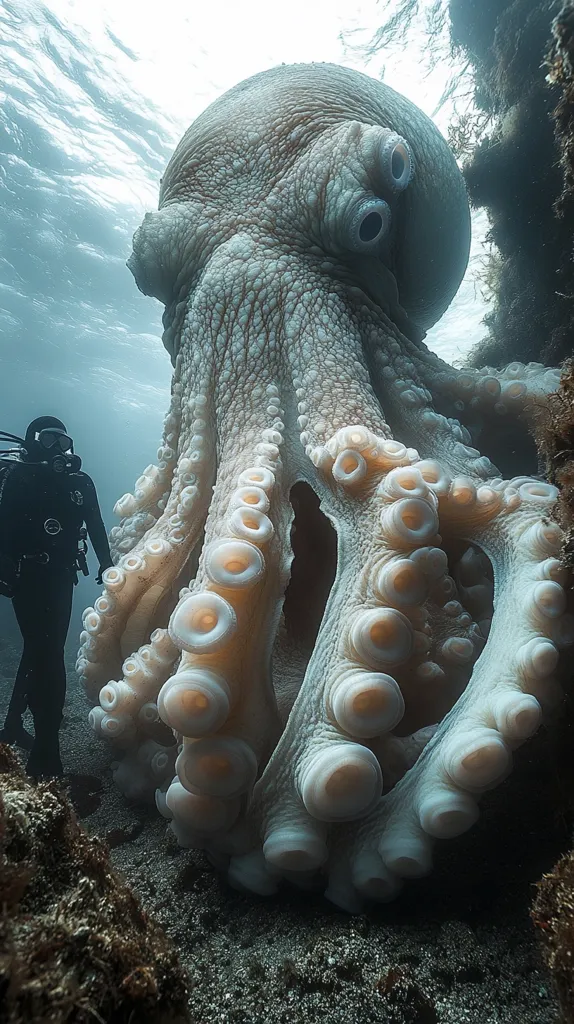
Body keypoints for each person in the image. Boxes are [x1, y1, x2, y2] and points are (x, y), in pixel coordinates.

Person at [0, 416, 113, 777]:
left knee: (43, 649)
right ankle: (37, 739)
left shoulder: (79, 482)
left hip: (61, 576)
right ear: (34, 441)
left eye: (64, 443)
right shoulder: (17, 476)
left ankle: (30, 733)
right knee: (43, 649)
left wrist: (106, 562)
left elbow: (94, 522)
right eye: (50, 440)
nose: (59, 450)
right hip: (25, 575)